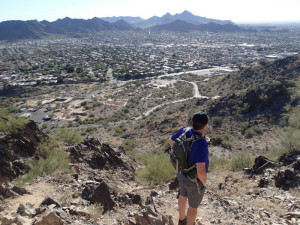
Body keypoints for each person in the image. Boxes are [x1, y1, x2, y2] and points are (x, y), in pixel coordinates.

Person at [169, 111, 209, 225]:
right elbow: (201, 170)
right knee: (193, 207)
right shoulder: (201, 143)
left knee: (182, 195)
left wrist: (182, 157)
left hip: (181, 173)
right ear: (205, 125)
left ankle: (182, 220)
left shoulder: (184, 130)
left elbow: (171, 141)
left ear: (193, 123)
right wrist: (204, 183)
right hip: (194, 180)